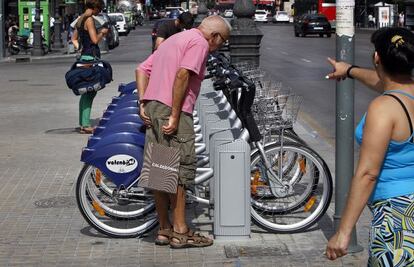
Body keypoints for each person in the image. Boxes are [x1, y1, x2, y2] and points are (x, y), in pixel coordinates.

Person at [136, 15, 231, 248]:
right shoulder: (199, 43)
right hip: (172, 109)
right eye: (222, 42)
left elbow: (141, 69)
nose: (219, 47)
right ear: (215, 36)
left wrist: (142, 102)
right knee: (179, 171)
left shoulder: (175, 39)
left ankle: (164, 229)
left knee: (159, 170)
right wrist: (176, 115)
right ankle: (181, 231)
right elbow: (182, 75)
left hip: (154, 107)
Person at [325, 27, 414, 265]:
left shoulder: (384, 108)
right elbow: (384, 82)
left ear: (377, 58)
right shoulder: (404, 95)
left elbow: (368, 173)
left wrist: (343, 232)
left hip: (397, 216)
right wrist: (350, 71)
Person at [71, 0, 108, 134]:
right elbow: (94, 40)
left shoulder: (80, 19)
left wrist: (79, 49)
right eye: (99, 8)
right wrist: (102, 32)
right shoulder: (90, 20)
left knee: (86, 92)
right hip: (90, 58)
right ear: (95, 8)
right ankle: (86, 125)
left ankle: (82, 123)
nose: (100, 11)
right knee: (90, 91)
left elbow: (74, 39)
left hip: (84, 57)